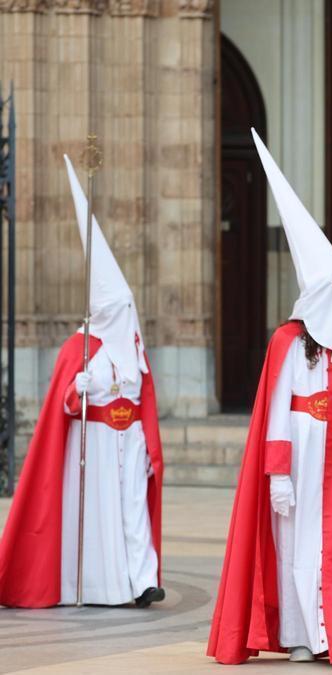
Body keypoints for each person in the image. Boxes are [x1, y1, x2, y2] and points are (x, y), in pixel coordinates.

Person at [208, 130, 332, 667]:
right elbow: (278, 413)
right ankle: (302, 634)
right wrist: (277, 471)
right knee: (296, 546)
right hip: (299, 457)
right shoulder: (288, 342)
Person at [0, 156, 164, 609]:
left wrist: (150, 446)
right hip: (92, 440)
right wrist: (80, 389)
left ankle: (143, 581)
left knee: (133, 514)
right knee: (98, 518)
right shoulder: (79, 346)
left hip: (128, 439)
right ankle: (100, 586)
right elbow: (64, 404)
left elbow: (145, 395)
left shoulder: (132, 344)